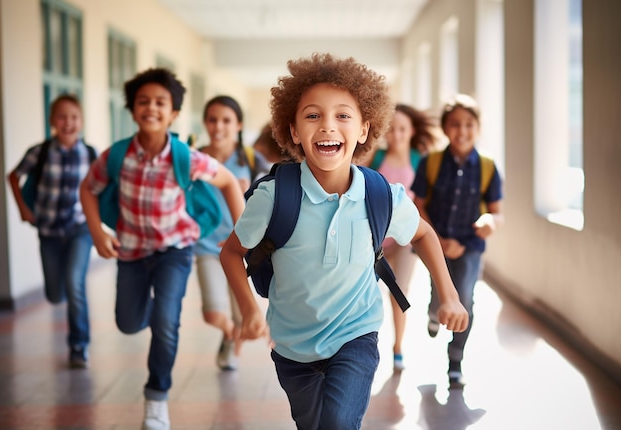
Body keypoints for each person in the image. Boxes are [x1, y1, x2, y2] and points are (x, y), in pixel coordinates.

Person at [219, 52, 468, 430]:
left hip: (357, 333)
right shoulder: (273, 197)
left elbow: (422, 233)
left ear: (365, 130)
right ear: (293, 131)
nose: (327, 126)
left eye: (343, 115)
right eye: (313, 115)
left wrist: (448, 294)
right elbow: (231, 252)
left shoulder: (380, 193)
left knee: (337, 422)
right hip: (291, 346)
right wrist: (250, 311)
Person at [79, 69, 245, 430]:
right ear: (132, 109)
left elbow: (230, 181)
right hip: (132, 253)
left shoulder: (186, 156)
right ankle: (155, 311)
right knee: (128, 322)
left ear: (173, 114)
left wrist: (243, 235)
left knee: (166, 324)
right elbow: (87, 189)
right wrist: (96, 231)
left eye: (160, 102)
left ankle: (157, 397)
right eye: (143, 102)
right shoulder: (117, 155)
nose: (151, 108)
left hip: (176, 251)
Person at [411, 93, 504, 389]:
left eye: (468, 124)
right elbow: (418, 204)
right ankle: (433, 310)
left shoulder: (488, 166)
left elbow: (496, 213)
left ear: (477, 128)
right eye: (455, 124)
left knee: (465, 297)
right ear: (445, 128)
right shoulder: (432, 163)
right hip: (435, 240)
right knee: (439, 287)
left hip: (470, 245)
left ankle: (455, 361)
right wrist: (437, 239)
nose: (462, 131)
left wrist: (489, 221)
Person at [8, 94, 96, 369]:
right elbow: (14, 175)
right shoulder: (40, 152)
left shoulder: (91, 154)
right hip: (47, 231)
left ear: (81, 122)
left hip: (80, 229)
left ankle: (79, 346)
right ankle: (70, 297)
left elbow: (102, 189)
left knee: (75, 282)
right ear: (51, 121)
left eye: (74, 117)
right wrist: (23, 208)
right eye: (62, 116)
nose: (68, 122)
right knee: (56, 294)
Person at [194, 95, 266, 370]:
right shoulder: (196, 159)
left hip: (240, 247)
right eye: (212, 119)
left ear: (238, 125)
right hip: (207, 246)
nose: (218, 126)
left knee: (242, 315)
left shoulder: (249, 159)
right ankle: (228, 333)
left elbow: (268, 200)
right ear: (205, 123)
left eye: (226, 120)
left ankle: (232, 342)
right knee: (213, 313)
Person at [368, 103, 436, 372]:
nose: (396, 134)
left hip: (405, 238)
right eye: (391, 129)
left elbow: (425, 200)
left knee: (399, 292)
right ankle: (366, 344)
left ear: (412, 131)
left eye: (402, 129)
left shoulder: (420, 160)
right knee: (370, 293)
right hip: (375, 240)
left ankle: (398, 347)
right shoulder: (376, 158)